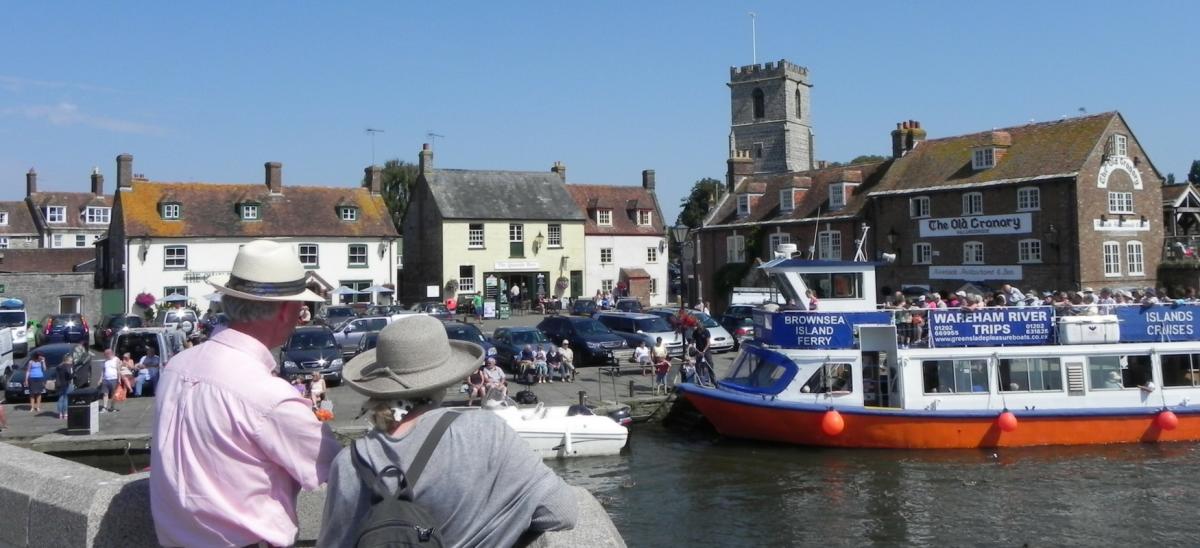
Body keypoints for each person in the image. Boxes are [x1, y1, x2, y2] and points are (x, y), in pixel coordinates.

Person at [319, 315, 576, 547]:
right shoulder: (486, 433)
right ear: (445, 378)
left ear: (379, 388)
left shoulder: (351, 464)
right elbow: (561, 511)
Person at [151, 239, 341, 548]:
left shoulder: (176, 366)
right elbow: (337, 469)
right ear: (284, 311)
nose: (301, 317)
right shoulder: (269, 396)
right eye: (301, 308)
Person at [55, 355, 76, 420]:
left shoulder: (59, 366)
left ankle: (60, 414)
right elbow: (69, 375)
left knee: (61, 398)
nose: (72, 362)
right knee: (66, 398)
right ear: (68, 360)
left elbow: (56, 375)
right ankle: (65, 413)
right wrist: (74, 375)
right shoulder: (69, 366)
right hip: (67, 384)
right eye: (71, 360)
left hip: (59, 384)